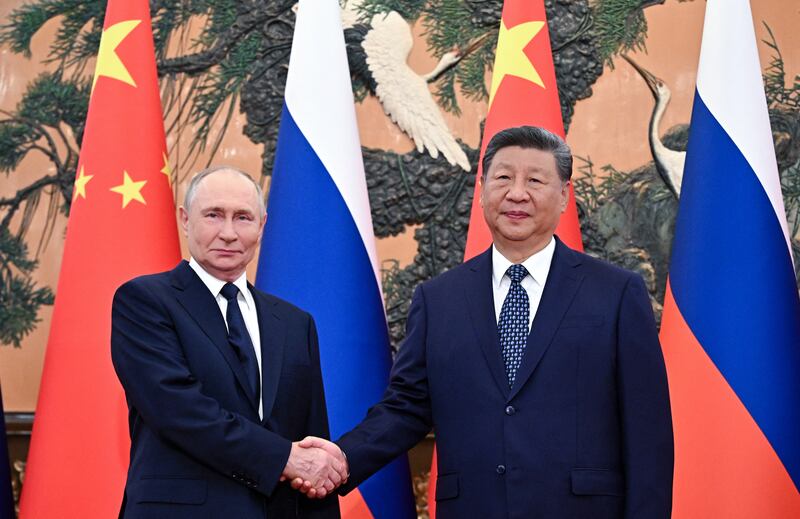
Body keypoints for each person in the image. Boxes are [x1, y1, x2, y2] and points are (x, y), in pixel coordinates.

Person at [298, 126, 674, 518]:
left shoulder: (616, 293)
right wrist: (342, 456)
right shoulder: (438, 299)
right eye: (503, 178)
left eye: (535, 180)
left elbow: (647, 435)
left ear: (564, 196)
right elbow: (406, 407)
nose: (517, 193)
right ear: (481, 191)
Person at [111, 166, 344, 518]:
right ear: (185, 220)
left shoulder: (296, 323)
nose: (229, 233)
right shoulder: (144, 301)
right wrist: (285, 458)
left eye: (243, 218)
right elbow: (178, 410)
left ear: (262, 225)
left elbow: (312, 440)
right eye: (214, 215)